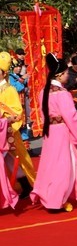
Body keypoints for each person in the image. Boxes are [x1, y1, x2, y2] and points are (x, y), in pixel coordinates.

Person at [30, 53, 77, 213]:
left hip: (50, 132)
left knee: (49, 165)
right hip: (61, 132)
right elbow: (71, 117)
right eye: (66, 73)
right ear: (59, 75)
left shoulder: (43, 92)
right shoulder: (62, 93)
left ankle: (48, 196)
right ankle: (56, 200)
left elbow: (44, 115)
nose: (68, 76)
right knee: (63, 167)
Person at [0, 52, 35, 199]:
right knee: (7, 164)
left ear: (3, 73)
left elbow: (17, 113)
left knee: (19, 160)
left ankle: (29, 186)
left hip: (9, 133)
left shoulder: (9, 89)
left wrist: (5, 120)